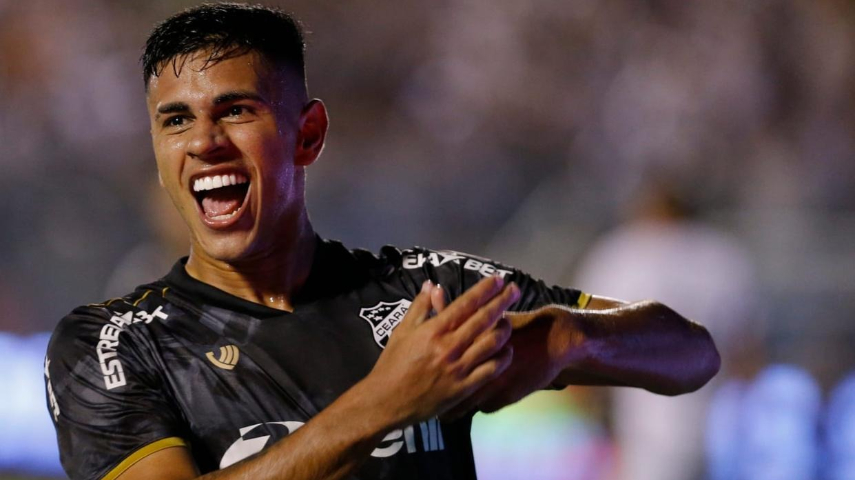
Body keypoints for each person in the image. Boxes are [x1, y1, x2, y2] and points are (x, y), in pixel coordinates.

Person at [44, 4, 720, 480]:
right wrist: (390, 401)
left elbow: (692, 353)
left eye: (236, 110)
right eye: (175, 121)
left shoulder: (429, 293)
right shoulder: (111, 344)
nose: (203, 142)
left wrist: (564, 340)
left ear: (308, 134)